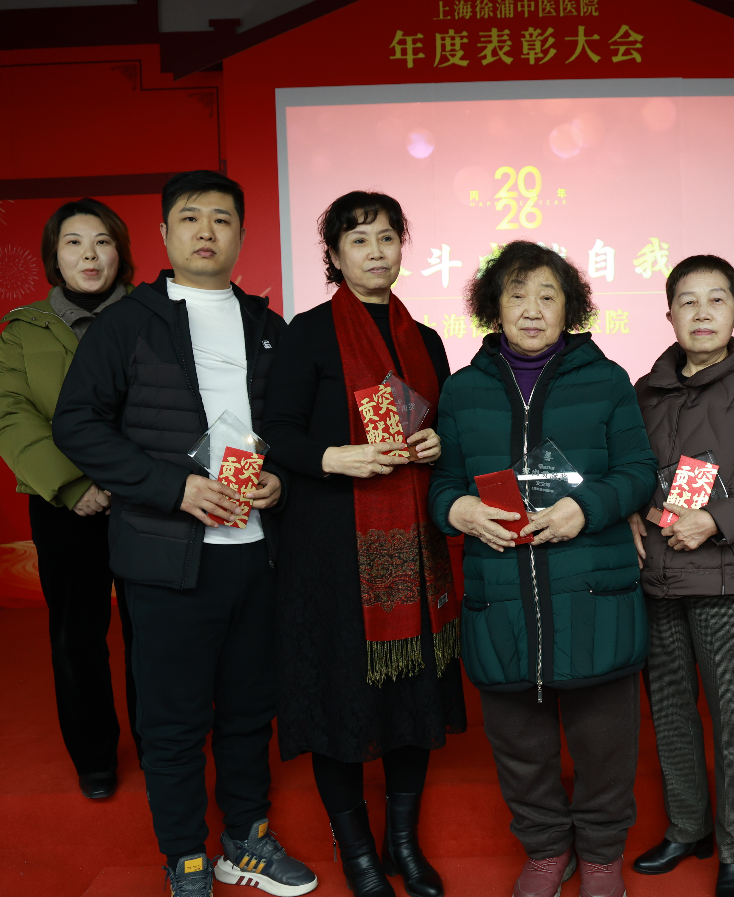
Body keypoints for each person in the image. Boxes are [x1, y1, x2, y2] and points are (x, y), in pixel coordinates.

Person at [52, 171, 316, 897]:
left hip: (257, 554)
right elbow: (77, 424)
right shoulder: (128, 324)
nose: (206, 231)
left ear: (241, 235)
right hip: (167, 558)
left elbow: (290, 431)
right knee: (172, 721)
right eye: (190, 218)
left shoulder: (269, 326)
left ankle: (246, 840)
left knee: (249, 710)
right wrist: (176, 487)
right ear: (165, 235)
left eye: (222, 219)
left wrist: (279, 481)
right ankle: (186, 858)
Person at [429, 240, 656, 897]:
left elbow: (638, 472)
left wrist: (586, 508)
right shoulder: (462, 389)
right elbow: (441, 484)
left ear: (569, 307)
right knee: (519, 745)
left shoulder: (606, 379)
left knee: (605, 743)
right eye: (518, 295)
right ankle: (547, 849)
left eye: (548, 296)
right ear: (493, 306)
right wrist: (459, 509)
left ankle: (603, 854)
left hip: (593, 588)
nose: (532, 309)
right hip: (501, 595)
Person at [261, 191, 462, 897]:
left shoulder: (426, 337)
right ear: (334, 255)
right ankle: (358, 854)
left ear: (403, 247)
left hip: (413, 547)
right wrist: (332, 457)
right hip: (330, 549)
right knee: (338, 696)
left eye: (387, 238)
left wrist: (438, 443)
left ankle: (402, 843)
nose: (376, 252)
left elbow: (441, 425)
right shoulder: (309, 333)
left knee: (413, 697)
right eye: (359, 240)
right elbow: (277, 431)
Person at [627, 255, 734, 897]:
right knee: (670, 711)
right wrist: (630, 510)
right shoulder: (644, 392)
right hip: (658, 576)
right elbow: (628, 471)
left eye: (716, 300)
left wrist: (716, 522)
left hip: (732, 578)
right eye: (688, 301)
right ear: (669, 313)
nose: (702, 313)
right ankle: (687, 828)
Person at [0, 197, 139, 800]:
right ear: (55, 256)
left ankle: (160, 743)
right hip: (64, 505)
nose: (89, 255)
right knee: (77, 634)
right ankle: (94, 755)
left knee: (155, 632)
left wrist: (135, 478)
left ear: (120, 251)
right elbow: (11, 413)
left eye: (102, 241)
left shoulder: (156, 316)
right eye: (73, 243)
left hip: (148, 499)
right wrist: (73, 485)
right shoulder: (24, 329)